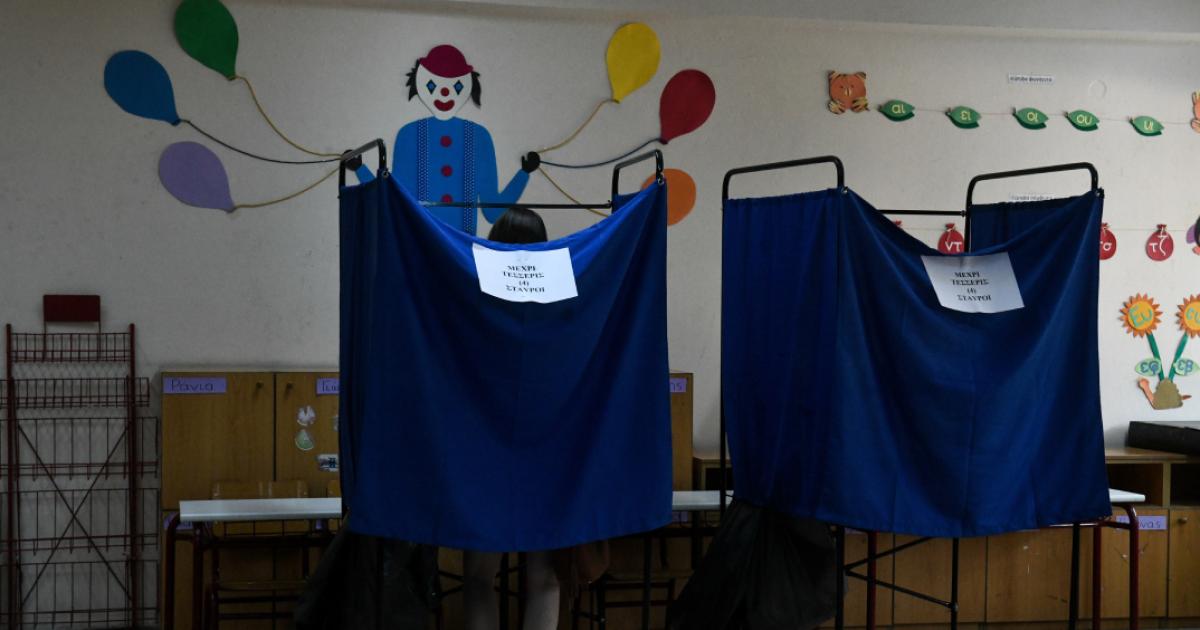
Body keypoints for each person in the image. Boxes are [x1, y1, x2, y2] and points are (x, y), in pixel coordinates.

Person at [462, 206, 558, 630]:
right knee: (545, 578)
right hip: (547, 446)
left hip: (485, 448)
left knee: (479, 578)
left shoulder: (477, 292)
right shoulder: (558, 293)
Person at [352, 44, 540, 236]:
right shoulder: (409, 135)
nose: (444, 93)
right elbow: (395, 200)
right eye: (432, 85)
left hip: (461, 245)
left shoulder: (479, 137)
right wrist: (360, 169)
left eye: (456, 86)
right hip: (420, 240)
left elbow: (492, 211)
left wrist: (524, 174)